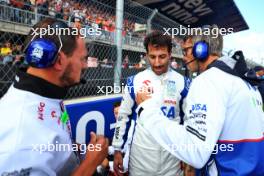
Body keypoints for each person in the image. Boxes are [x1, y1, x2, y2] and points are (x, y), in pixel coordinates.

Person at [135, 25, 264, 175]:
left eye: (186, 50)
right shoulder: (242, 80)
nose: (183, 56)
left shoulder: (208, 81)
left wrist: (147, 110)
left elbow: (195, 151)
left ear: (200, 49)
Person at [0, 18, 109, 176]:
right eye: (82, 59)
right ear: (58, 61)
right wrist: (91, 163)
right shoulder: (20, 141)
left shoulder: (46, 92)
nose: (85, 65)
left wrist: (73, 149)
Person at [112, 31, 190, 176]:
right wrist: (117, 150)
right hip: (140, 160)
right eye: (152, 57)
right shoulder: (134, 81)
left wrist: (187, 155)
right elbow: (123, 116)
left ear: (170, 54)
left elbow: (188, 121)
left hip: (172, 160)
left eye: (162, 56)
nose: (157, 62)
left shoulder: (183, 82)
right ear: (146, 55)